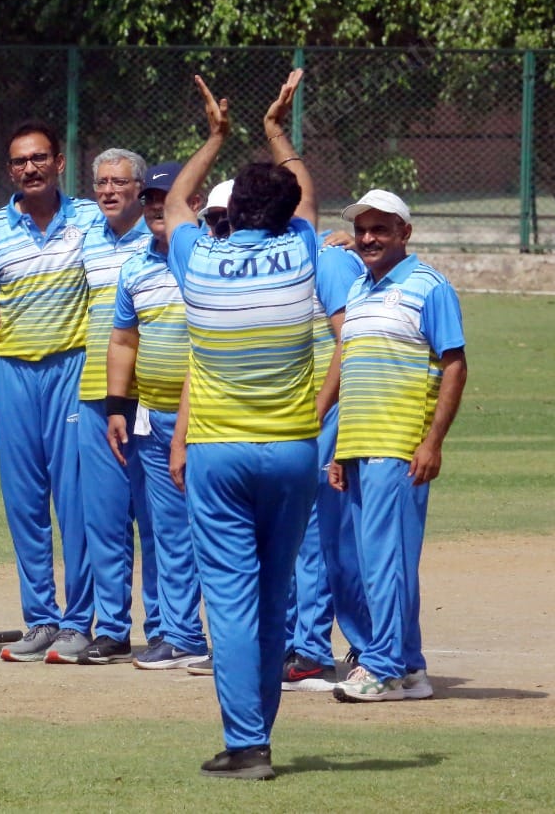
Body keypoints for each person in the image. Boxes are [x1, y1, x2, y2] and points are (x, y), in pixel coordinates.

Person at [162, 70, 344, 780]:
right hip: (293, 453)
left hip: (219, 454)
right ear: (289, 212)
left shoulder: (199, 257)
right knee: (273, 595)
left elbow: (176, 199)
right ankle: (255, 734)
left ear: (232, 210)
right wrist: (276, 129)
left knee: (232, 600)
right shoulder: (302, 251)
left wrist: (215, 136)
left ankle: (248, 744)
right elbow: (309, 194)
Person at [330, 189, 467, 703]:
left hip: (400, 445)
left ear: (404, 234)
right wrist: (342, 450)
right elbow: (357, 375)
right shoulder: (362, 291)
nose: (368, 238)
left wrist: (432, 442)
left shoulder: (429, 287)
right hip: (362, 445)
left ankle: (382, 666)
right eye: (362, 229)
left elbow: (454, 366)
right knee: (377, 563)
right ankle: (409, 668)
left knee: (386, 563)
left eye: (380, 229)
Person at [0, 120, 101, 663]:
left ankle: (79, 622)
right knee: (25, 505)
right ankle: (41, 620)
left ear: (59, 162)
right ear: (10, 170)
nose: (30, 168)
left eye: (39, 158)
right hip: (14, 374)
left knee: (75, 504)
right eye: (20, 161)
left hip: (72, 370)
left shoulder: (92, 221)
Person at [107, 161, 212, 673]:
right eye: (149, 198)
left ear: (195, 204)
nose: (154, 207)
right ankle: (181, 636)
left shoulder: (214, 258)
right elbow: (124, 339)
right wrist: (117, 406)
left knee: (212, 532)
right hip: (153, 419)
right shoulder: (136, 267)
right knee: (165, 534)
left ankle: (243, 639)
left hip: (213, 421)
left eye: (165, 198)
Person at [74, 148, 155, 666]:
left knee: (156, 521)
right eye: (101, 182)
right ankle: (112, 627)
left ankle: (170, 627)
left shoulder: (165, 238)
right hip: (94, 396)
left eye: (119, 183)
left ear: (139, 189)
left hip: (150, 397)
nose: (107, 190)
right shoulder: (85, 238)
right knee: (103, 520)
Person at [281, 231, 371, 692]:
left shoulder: (329, 262)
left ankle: (313, 651)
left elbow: (347, 341)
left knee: (316, 533)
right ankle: (296, 642)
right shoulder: (275, 263)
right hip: (290, 418)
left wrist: (318, 410)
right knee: (296, 534)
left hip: (324, 413)